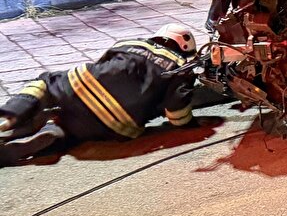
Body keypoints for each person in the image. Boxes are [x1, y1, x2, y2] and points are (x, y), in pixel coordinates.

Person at [0, 24, 201, 165]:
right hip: (119, 125)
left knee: (44, 82)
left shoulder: (130, 43)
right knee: (75, 129)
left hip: (82, 89)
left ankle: (9, 117)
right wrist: (191, 124)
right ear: (186, 50)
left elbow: (101, 64)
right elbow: (176, 113)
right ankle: (56, 132)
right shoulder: (182, 67)